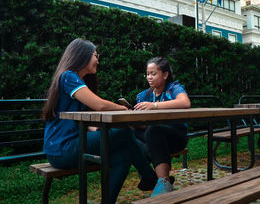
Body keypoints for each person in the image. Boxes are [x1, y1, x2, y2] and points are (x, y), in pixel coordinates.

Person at [42, 38, 157, 203]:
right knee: (124, 132)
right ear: (82, 56)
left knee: (124, 155)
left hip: (72, 144)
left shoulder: (76, 81)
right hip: (63, 149)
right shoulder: (68, 76)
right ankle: (149, 176)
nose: (97, 60)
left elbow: (84, 120)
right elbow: (99, 105)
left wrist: (95, 130)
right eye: (95, 55)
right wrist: (123, 109)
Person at [134, 57, 191, 197]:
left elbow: (185, 103)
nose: (149, 77)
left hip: (175, 136)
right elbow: (143, 125)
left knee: (154, 130)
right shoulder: (144, 95)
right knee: (126, 132)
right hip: (153, 137)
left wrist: (154, 106)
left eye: (153, 73)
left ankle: (161, 181)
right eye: (147, 74)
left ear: (165, 75)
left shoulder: (173, 88)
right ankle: (157, 179)